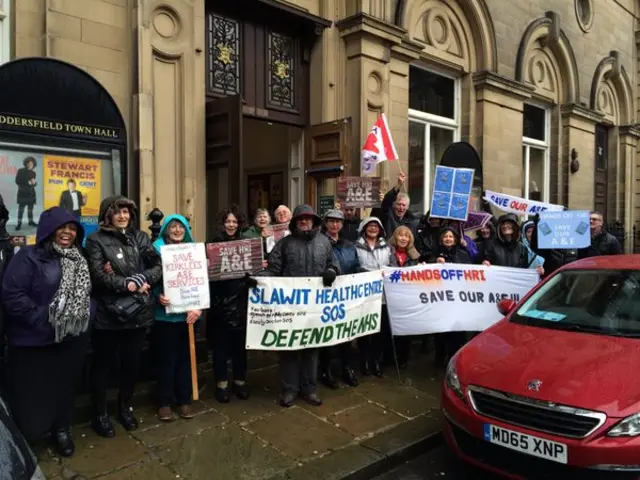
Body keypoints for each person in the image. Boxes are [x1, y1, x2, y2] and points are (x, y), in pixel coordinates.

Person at [1, 207, 92, 456]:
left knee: (64, 387)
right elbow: (12, 295)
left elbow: (86, 296)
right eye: (62, 227)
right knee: (31, 395)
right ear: (48, 230)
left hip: (70, 340)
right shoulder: (28, 257)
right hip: (34, 341)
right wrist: (46, 317)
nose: (67, 232)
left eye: (72, 228)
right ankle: (28, 437)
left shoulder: (79, 258)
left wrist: (83, 316)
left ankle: (62, 430)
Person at [85, 196, 162, 438]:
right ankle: (100, 413)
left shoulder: (140, 237)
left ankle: (124, 407)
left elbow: (157, 265)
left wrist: (141, 280)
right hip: (108, 315)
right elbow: (97, 275)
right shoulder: (95, 240)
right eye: (117, 212)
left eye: (127, 212)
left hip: (137, 313)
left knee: (131, 365)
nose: (123, 216)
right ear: (107, 214)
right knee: (102, 367)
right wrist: (127, 283)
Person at [258, 204, 339, 408]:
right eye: (300, 218)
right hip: (290, 308)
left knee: (312, 349)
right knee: (289, 349)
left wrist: (331, 271)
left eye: (308, 218)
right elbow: (274, 269)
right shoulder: (285, 244)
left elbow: (334, 264)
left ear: (313, 221)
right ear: (295, 222)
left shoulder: (324, 243)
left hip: (315, 307)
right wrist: (258, 279)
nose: (304, 221)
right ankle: (289, 389)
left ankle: (309, 388)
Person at [152, 214, 201, 421]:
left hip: (187, 316)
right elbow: (151, 279)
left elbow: (200, 280)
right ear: (166, 230)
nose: (177, 230)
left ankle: (184, 399)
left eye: (181, 227)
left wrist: (198, 307)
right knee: (167, 359)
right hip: (165, 317)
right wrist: (158, 296)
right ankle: (164, 402)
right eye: (173, 227)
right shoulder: (155, 251)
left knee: (185, 359)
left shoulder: (193, 251)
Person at [208, 205, 251, 403]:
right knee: (221, 348)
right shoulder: (214, 244)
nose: (231, 225)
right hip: (220, 302)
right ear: (222, 223)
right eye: (228, 221)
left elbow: (252, 271)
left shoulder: (247, 244)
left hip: (241, 303)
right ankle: (222, 384)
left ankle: (240, 381)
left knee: (240, 347)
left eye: (234, 221)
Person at [319, 209, 360, 389]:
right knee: (328, 337)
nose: (335, 225)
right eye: (331, 221)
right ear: (326, 223)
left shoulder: (349, 246)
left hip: (347, 297)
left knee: (347, 336)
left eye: (338, 222)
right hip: (328, 296)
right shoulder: (319, 244)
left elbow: (356, 267)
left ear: (342, 225)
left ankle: (347, 368)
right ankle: (326, 371)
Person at [428, 226, 472, 367]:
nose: (448, 239)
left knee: (457, 332)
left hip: (459, 300)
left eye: (450, 236)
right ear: (441, 239)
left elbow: (471, 273)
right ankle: (439, 358)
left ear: (455, 239)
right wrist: (435, 263)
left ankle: (455, 359)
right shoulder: (434, 254)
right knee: (441, 332)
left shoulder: (463, 254)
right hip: (441, 299)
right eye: (445, 236)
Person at [354, 217, 391, 377]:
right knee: (364, 330)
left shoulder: (387, 247)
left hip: (382, 295)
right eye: (370, 226)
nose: (373, 228)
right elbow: (353, 266)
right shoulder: (356, 246)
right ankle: (364, 361)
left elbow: (393, 265)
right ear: (364, 228)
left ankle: (377, 361)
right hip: (363, 294)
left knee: (380, 331)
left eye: (376, 226)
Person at [388, 225, 421, 368]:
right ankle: (388, 358)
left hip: (407, 299)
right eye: (401, 235)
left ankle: (403, 359)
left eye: (406, 236)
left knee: (405, 330)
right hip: (390, 298)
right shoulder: (387, 252)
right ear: (395, 237)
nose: (403, 238)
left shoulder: (415, 256)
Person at [378, 173, 419, 237]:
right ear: (393, 205)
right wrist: (398, 185)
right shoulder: (388, 217)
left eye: (404, 205)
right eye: (399, 204)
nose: (401, 208)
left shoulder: (413, 222)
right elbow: (387, 201)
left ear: (408, 207)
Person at [14, 156, 38, 230]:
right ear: (26, 163)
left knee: (30, 209)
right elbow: (17, 181)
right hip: (22, 193)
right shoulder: (20, 170)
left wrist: (35, 183)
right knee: (21, 209)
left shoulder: (33, 173)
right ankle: (19, 223)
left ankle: (30, 222)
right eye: (29, 163)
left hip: (31, 193)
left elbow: (33, 184)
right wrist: (28, 182)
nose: (31, 164)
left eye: (32, 163)